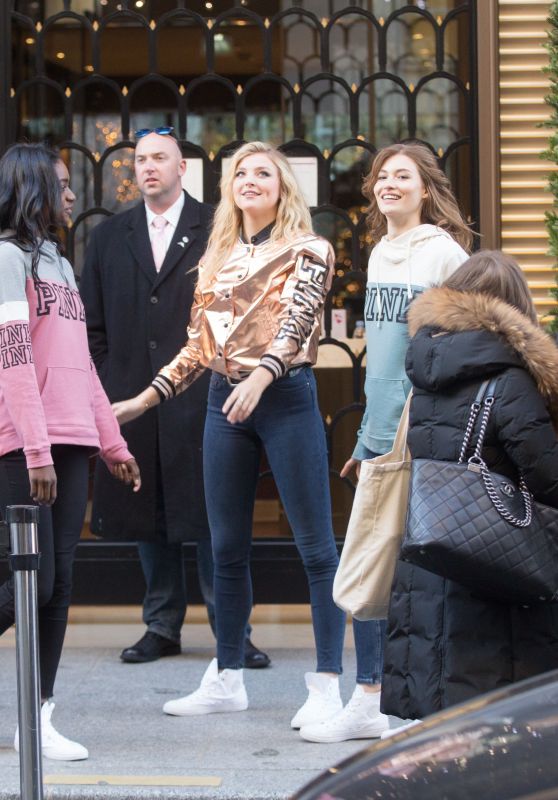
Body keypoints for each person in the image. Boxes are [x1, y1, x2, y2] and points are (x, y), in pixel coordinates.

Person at [112, 140, 347, 724]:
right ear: (229, 188)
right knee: (225, 548)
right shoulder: (217, 254)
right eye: (240, 172)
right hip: (224, 400)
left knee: (316, 549)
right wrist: (145, 398)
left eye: (263, 172)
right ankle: (228, 674)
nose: (250, 180)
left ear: (282, 187)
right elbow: (198, 346)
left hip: (284, 396)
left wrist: (264, 376)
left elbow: (298, 320)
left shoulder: (309, 248)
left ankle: (326, 684)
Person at [300, 142, 471, 743]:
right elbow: (381, 362)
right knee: (376, 562)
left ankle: (378, 696)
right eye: (382, 177)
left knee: (396, 563)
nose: (388, 185)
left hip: (421, 428)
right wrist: (368, 439)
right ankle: (373, 694)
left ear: (427, 189)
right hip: (383, 430)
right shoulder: (378, 253)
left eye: (403, 176)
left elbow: (451, 344)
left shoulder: (444, 252)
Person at [80, 128, 269, 669]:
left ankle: (232, 630)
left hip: (204, 390)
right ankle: (161, 626)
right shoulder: (110, 236)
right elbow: (91, 322)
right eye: (140, 160)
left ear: (182, 167)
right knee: (148, 509)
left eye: (159, 158)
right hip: (132, 395)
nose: (148, 168)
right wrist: (106, 379)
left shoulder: (219, 227)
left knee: (214, 512)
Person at [0, 143, 140, 761]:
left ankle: (37, 717)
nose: (72, 194)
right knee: (28, 583)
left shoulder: (58, 262)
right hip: (24, 447)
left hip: (74, 441)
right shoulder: (7, 260)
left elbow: (81, 363)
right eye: (60, 184)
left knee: (57, 589)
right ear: (32, 190)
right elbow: (14, 359)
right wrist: (35, 450)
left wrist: (111, 441)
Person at [381, 250, 558, 721]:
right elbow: (549, 477)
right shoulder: (511, 381)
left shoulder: (425, 374)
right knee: (493, 726)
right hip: (492, 570)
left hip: (430, 557)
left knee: (440, 723)